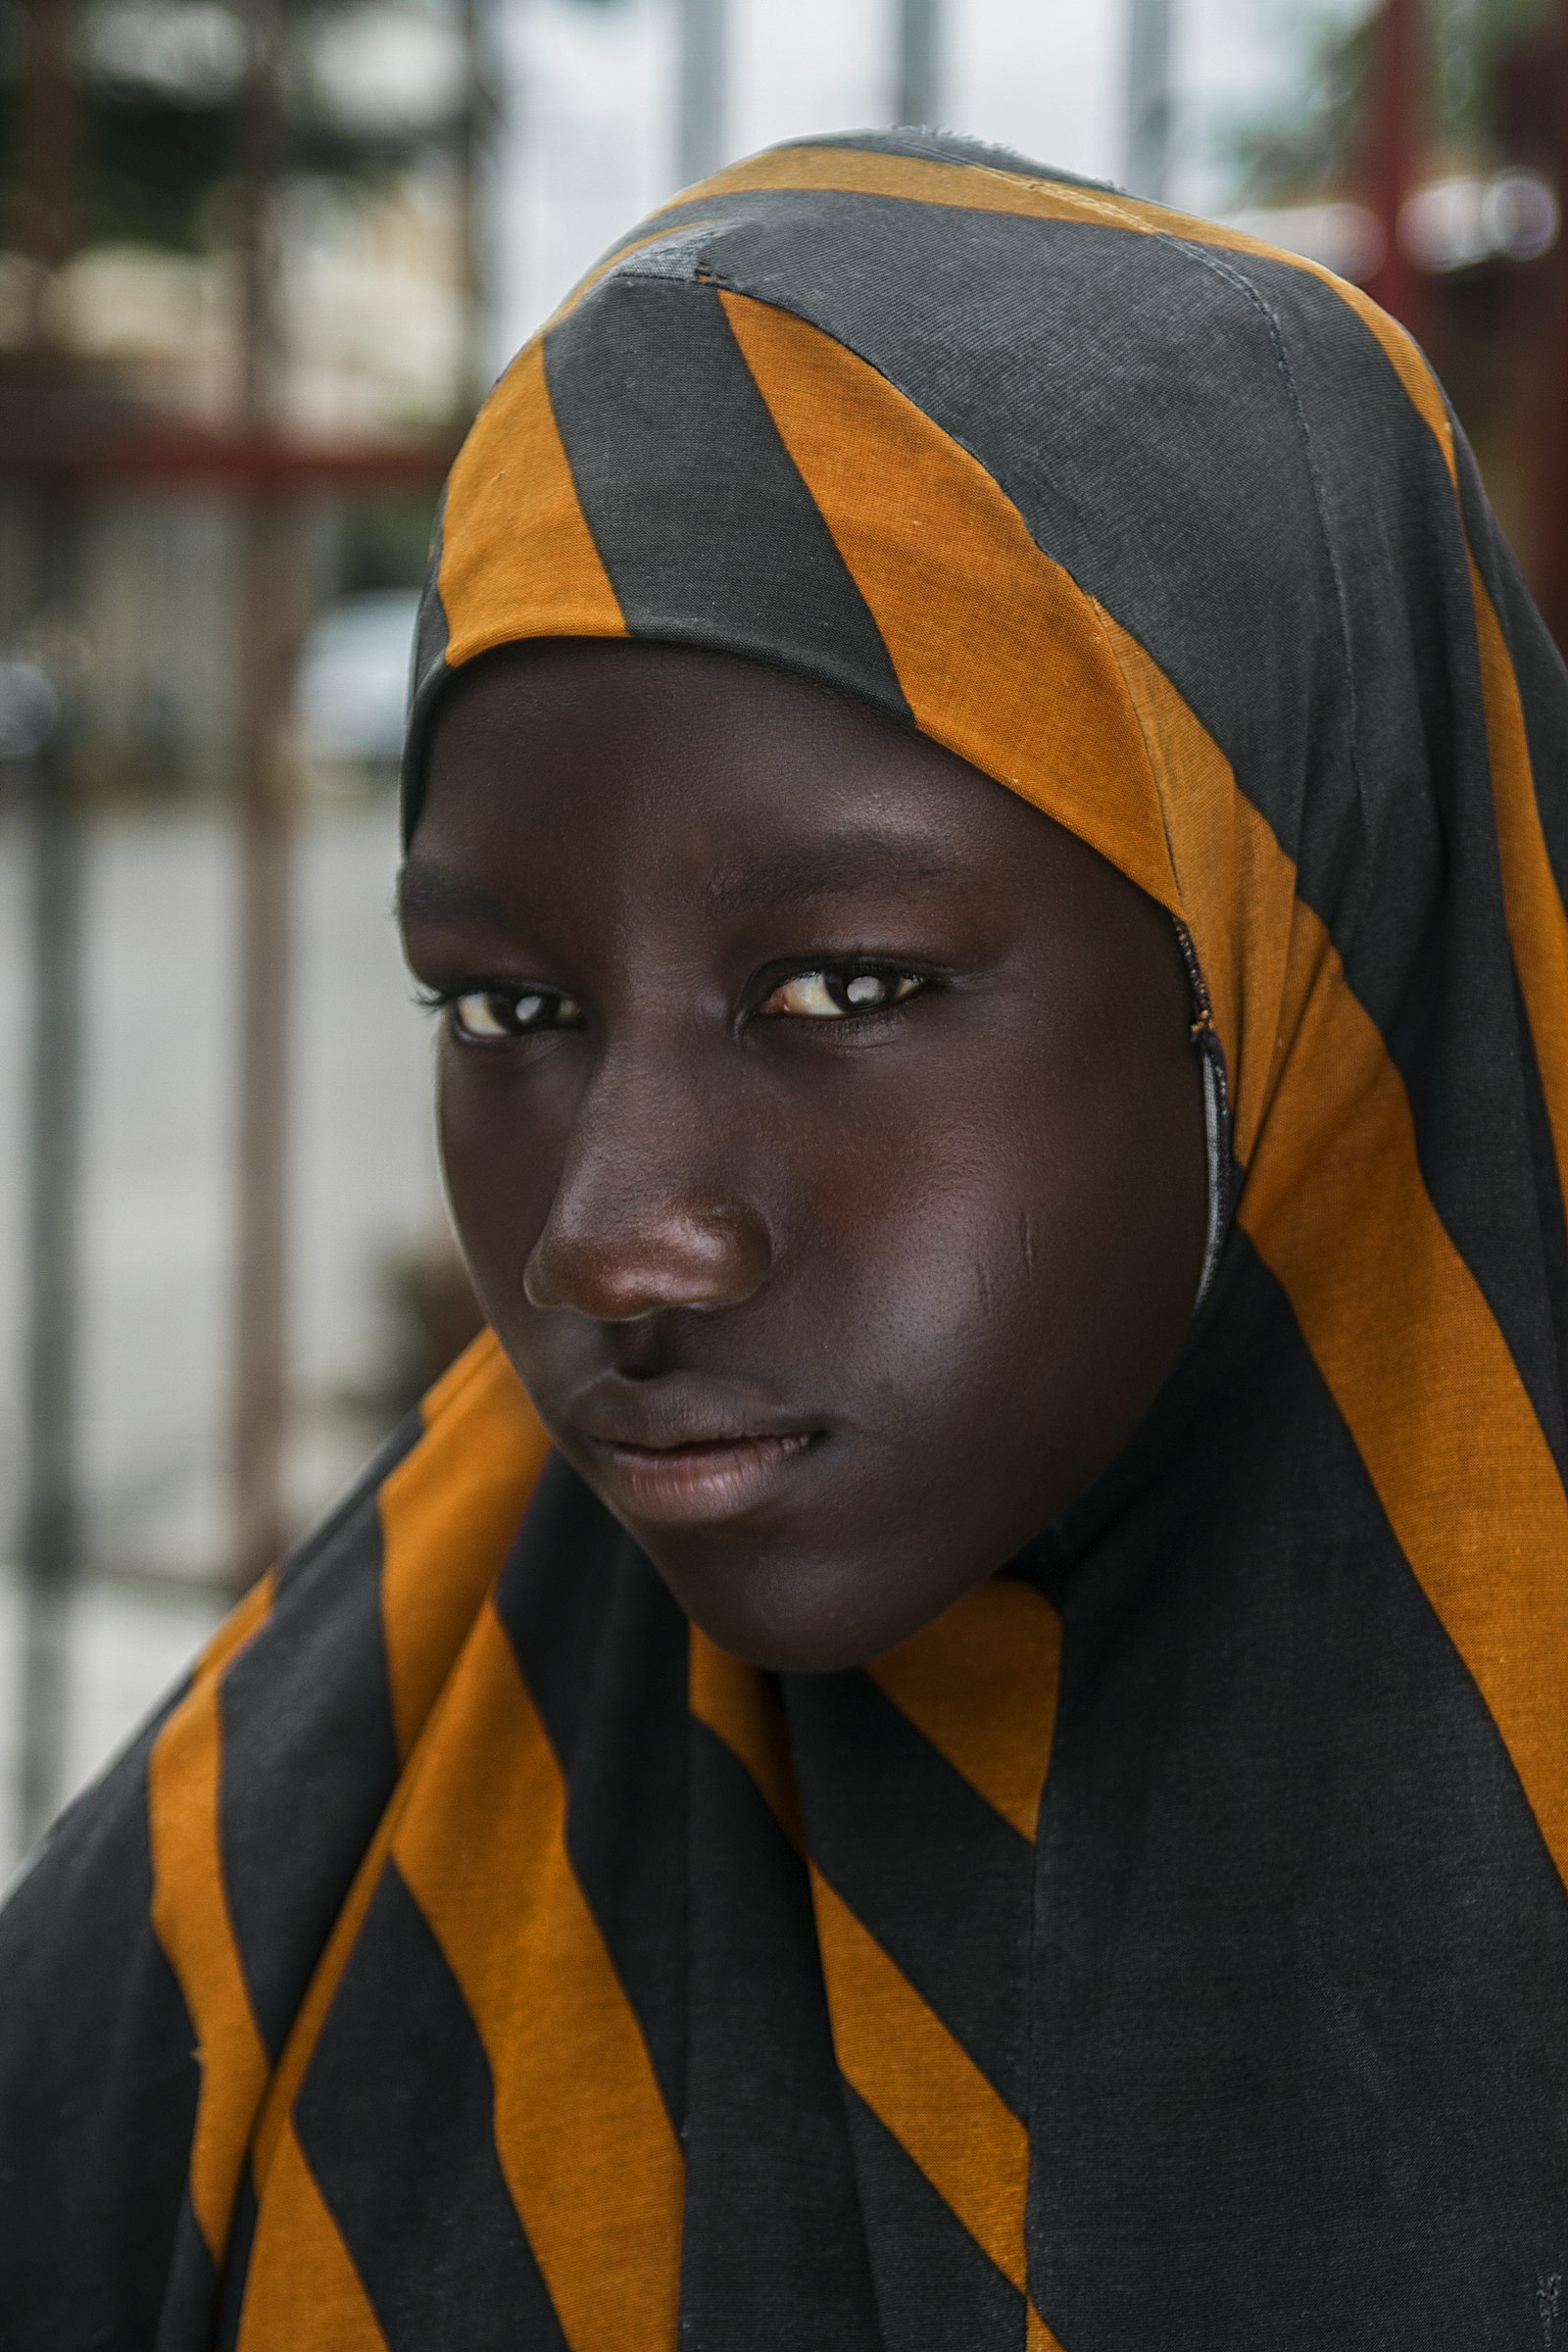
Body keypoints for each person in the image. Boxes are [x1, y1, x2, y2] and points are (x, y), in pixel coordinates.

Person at [4, 125, 1568, 2351]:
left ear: (1292, 949)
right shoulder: (285, 1884)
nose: (611, 1245)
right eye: (508, 1010)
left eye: (842, 988)